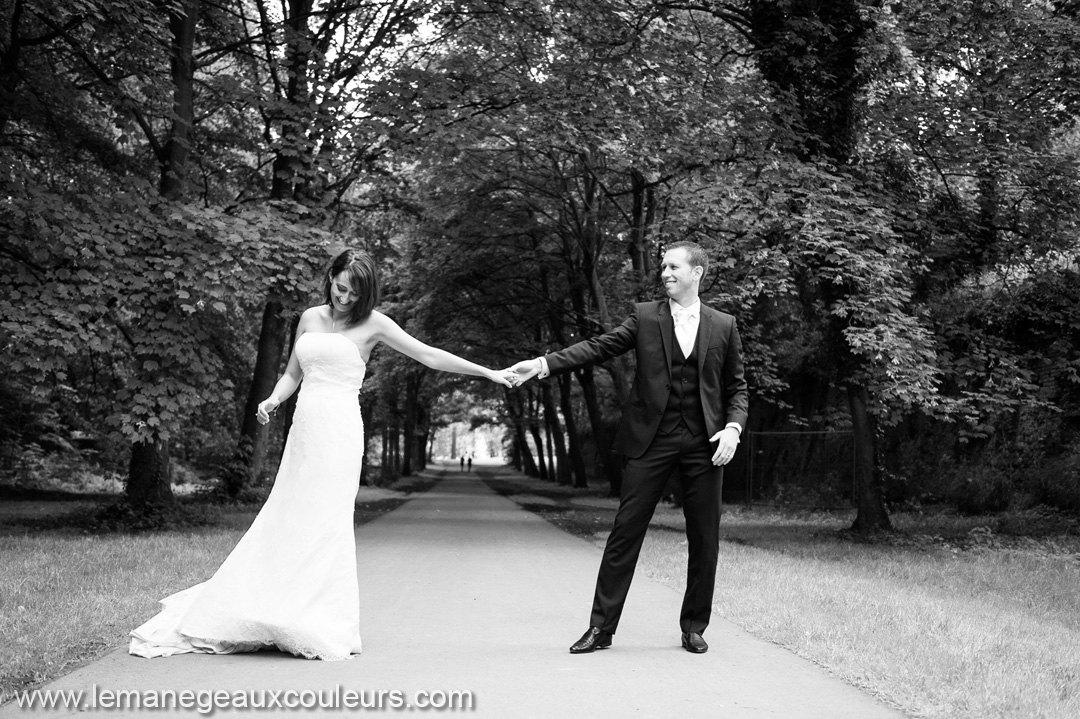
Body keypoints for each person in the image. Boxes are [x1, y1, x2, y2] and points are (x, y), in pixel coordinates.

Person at [129, 248, 518, 660]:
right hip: (305, 430)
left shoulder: (375, 324)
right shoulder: (310, 318)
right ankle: (272, 609)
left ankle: (315, 621)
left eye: (354, 293)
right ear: (330, 277)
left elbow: (429, 355)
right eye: (340, 287)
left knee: (326, 520)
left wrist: (489, 372)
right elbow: (293, 373)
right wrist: (272, 400)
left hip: (340, 433)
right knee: (289, 514)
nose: (345, 298)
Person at [511, 241, 748, 655]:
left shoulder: (723, 325)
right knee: (624, 533)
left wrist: (732, 428)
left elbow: (737, 388)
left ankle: (694, 626)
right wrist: (545, 364)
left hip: (704, 442)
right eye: (662, 267)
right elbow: (599, 346)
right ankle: (601, 628)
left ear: (698, 272)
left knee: (705, 538)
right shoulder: (644, 317)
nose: (665, 273)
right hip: (649, 440)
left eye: (674, 266)